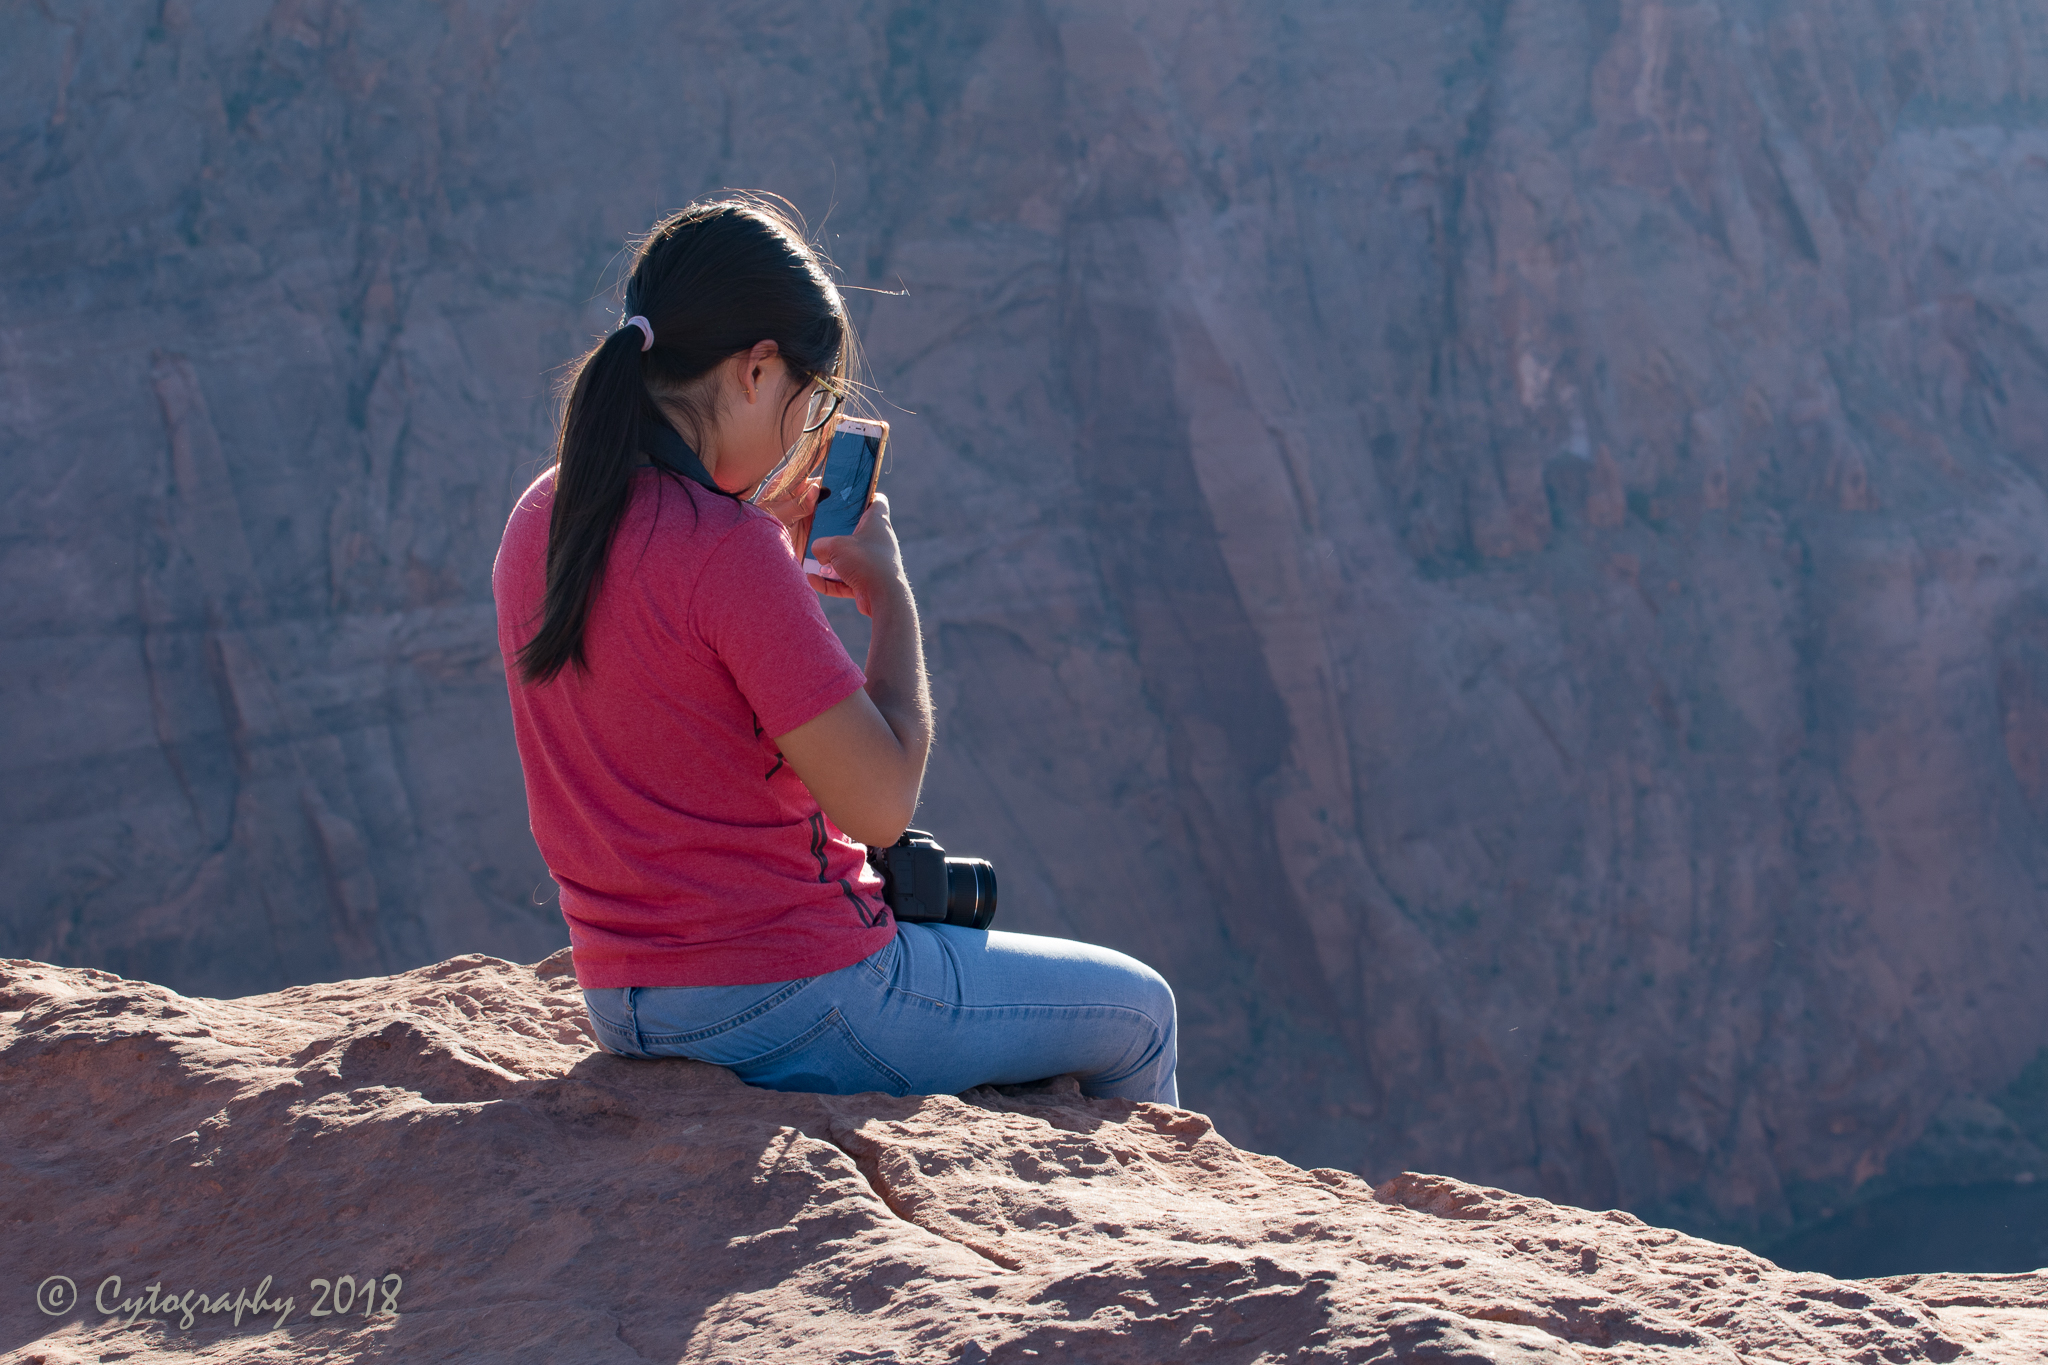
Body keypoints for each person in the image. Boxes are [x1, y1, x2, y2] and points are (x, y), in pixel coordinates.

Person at [491, 197, 1177, 1104]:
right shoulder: (722, 550)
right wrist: (890, 598)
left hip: (625, 998)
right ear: (756, 370)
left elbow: (663, 665)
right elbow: (883, 805)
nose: (807, 427)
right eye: (810, 398)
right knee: (1140, 1014)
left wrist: (757, 554)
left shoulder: (547, 512)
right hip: (790, 995)